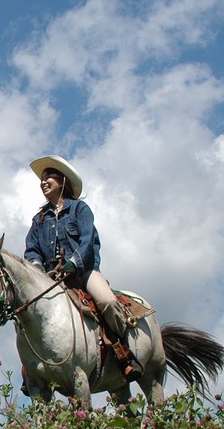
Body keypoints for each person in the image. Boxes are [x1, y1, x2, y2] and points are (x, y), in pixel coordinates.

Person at [23, 155, 140, 381]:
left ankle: (123, 352)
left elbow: (88, 242)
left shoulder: (79, 209)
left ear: (62, 181)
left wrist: (73, 263)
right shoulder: (39, 219)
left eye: (49, 178)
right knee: (26, 309)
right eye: (42, 179)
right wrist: (36, 266)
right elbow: (32, 249)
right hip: (52, 278)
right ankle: (32, 370)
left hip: (83, 274)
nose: (43, 182)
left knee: (107, 301)